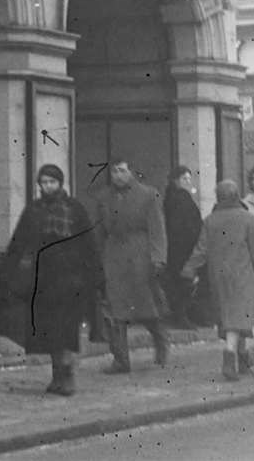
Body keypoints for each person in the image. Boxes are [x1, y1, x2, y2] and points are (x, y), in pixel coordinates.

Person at [1, 164, 101, 396]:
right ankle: (57, 376)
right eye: (43, 183)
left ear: (60, 183)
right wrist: (9, 268)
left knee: (66, 329)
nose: (47, 187)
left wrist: (94, 275)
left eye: (52, 182)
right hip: (43, 278)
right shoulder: (34, 210)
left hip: (70, 278)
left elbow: (89, 244)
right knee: (50, 330)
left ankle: (68, 377)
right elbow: (19, 241)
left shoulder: (75, 209)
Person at [183, 180, 254, 381]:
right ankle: (229, 358)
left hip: (218, 277)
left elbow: (201, 249)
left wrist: (189, 269)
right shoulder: (247, 219)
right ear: (236, 196)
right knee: (237, 318)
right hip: (242, 276)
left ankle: (243, 358)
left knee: (231, 316)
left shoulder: (210, 220)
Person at [93, 160, 168, 374]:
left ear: (131, 172)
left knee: (146, 308)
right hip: (114, 256)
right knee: (116, 311)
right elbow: (99, 230)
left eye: (123, 171)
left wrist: (158, 258)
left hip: (140, 256)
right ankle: (121, 360)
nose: (118, 175)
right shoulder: (103, 197)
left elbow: (157, 228)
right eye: (114, 171)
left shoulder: (148, 195)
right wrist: (96, 258)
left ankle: (161, 343)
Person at [162, 166, 202, 329]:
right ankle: (182, 316)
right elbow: (189, 224)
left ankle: (179, 315)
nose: (188, 182)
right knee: (185, 282)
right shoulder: (182, 197)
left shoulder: (169, 197)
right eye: (185, 178)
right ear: (176, 180)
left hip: (174, 247)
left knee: (177, 281)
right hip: (185, 247)